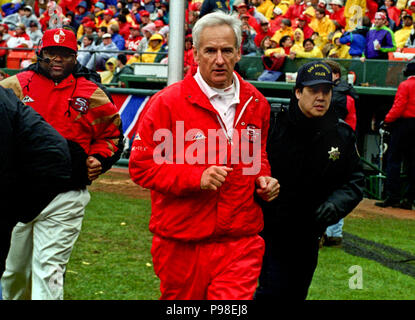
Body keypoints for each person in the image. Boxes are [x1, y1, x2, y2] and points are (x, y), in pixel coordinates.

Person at [129, 11, 280, 300]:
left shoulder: (256, 103)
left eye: (227, 50)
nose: (219, 59)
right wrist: (195, 177)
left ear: (238, 53)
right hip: (181, 243)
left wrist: (263, 178)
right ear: (195, 53)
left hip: (241, 241)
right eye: (210, 50)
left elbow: (255, 156)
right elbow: (142, 167)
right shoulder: (168, 104)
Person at [0, 27, 124, 300]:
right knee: (13, 273)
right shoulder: (15, 85)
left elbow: (113, 135)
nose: (57, 60)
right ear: (39, 53)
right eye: (51, 53)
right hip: (19, 193)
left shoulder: (93, 93)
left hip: (66, 194)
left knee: (48, 270)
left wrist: (101, 159)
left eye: (65, 54)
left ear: (75, 57)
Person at [255, 61, 365, 300]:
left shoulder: (341, 133)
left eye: (326, 91)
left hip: (308, 234)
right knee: (270, 292)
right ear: (298, 92)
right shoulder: (273, 125)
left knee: (295, 293)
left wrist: (336, 205)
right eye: (313, 91)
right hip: (268, 231)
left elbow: (355, 181)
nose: (321, 97)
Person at [0, 86, 72, 282]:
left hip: (62, 192)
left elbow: (54, 153)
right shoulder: (12, 91)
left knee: (44, 272)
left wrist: (16, 208)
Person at [321, 59, 359, 247]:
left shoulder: (338, 94)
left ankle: (330, 232)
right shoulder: (345, 91)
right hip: (343, 144)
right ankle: (333, 233)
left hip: (337, 146)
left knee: (331, 184)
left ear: (336, 75)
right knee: (336, 184)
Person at [375, 60, 415, 210]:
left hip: (404, 125)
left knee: (394, 160)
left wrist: (386, 120)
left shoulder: (405, 85)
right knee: (412, 163)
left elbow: (398, 107)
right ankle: (409, 199)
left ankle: (392, 196)